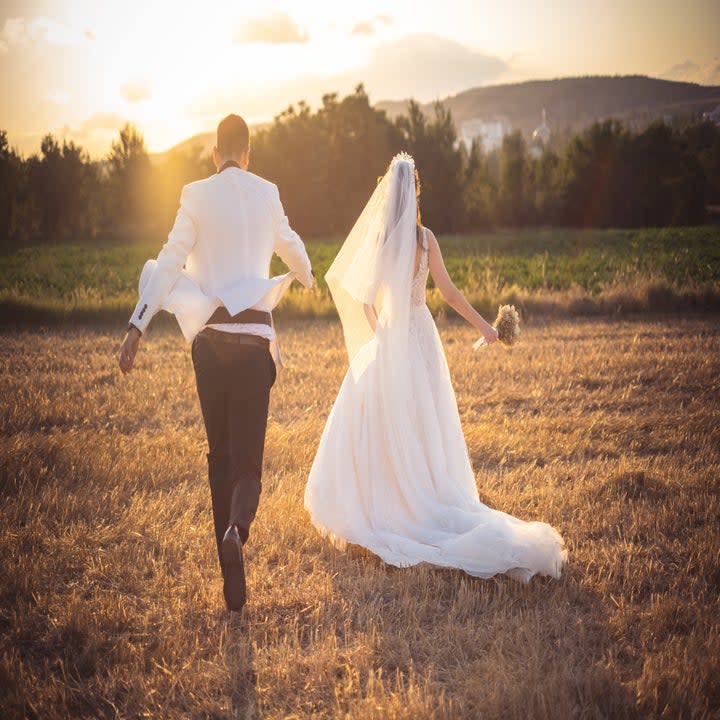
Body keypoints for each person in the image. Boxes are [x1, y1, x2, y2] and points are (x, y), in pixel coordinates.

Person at [305, 153, 567, 582]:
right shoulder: (425, 240)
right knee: (425, 418)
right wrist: (487, 326)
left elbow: (364, 299)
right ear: (417, 193)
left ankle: (387, 499)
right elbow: (448, 293)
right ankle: (424, 492)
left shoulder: (380, 241)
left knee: (384, 417)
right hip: (421, 334)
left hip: (393, 335)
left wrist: (381, 333)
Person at [118, 114, 315, 612]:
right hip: (253, 341)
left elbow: (167, 262)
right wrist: (306, 275)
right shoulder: (266, 192)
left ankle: (226, 565)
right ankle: (236, 531)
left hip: (209, 344)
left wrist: (138, 326)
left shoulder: (194, 194)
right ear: (247, 153)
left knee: (219, 455)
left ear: (215, 153)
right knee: (249, 465)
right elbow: (292, 247)